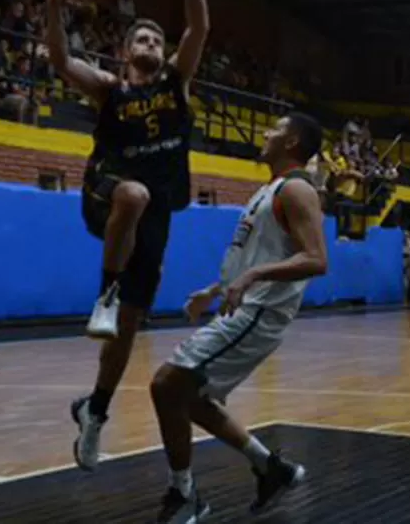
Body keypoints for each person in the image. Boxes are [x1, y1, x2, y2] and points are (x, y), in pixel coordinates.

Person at [45, 0, 209, 471]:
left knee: (130, 327)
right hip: (107, 191)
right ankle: (106, 292)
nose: (151, 47)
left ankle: (95, 409)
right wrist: (53, 0)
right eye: (141, 40)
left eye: (157, 42)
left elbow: (200, 28)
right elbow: (62, 58)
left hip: (152, 214)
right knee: (133, 194)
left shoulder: (175, 85)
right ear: (125, 51)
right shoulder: (110, 90)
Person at [146, 113, 327, 523]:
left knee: (165, 384)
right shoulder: (271, 189)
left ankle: (184, 495)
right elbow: (258, 255)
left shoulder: (298, 189)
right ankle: (270, 468)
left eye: (276, 129)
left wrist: (252, 276)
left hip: (261, 312)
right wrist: (215, 288)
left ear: (293, 141)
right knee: (188, 396)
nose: (265, 134)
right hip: (248, 307)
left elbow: (317, 260)